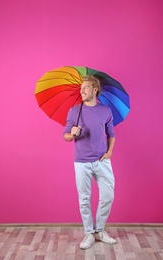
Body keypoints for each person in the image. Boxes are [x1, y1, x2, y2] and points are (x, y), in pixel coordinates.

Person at [63, 75, 117, 250]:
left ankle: (99, 230)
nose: (82, 91)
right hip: (82, 162)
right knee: (84, 199)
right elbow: (65, 136)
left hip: (102, 160)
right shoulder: (74, 111)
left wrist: (109, 152)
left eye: (85, 88)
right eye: (81, 88)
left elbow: (111, 134)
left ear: (95, 89)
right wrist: (73, 134)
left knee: (108, 195)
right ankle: (89, 233)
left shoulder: (106, 111)